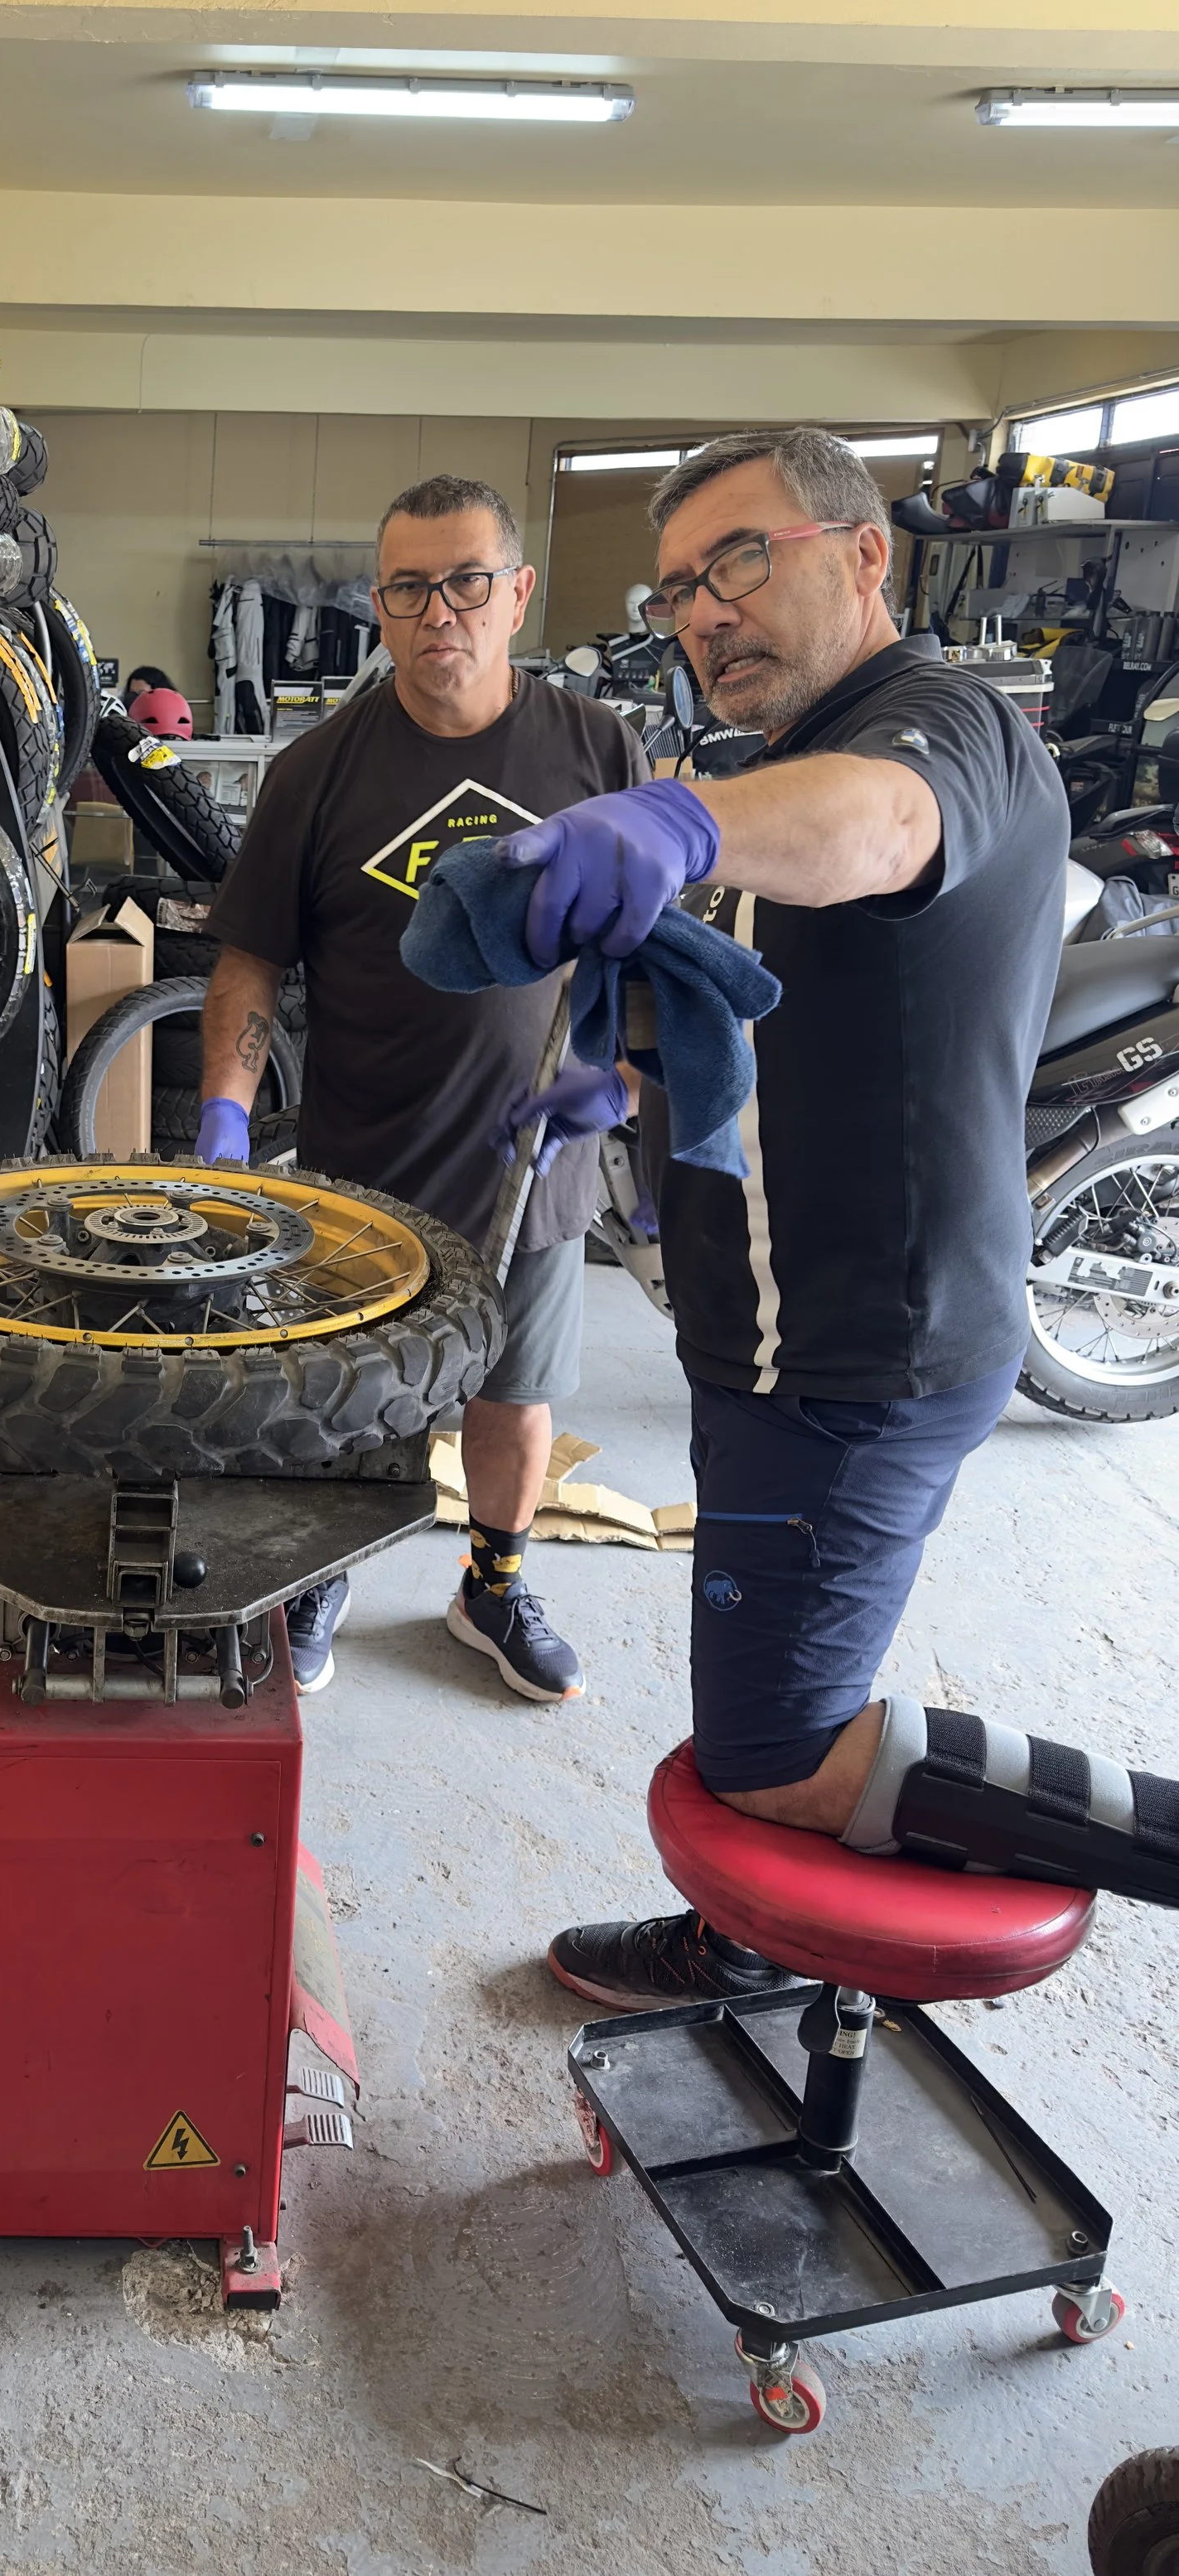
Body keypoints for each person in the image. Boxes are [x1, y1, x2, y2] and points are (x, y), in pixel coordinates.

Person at [467, 428, 1179, 2009]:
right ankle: (751, 1935)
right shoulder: (759, 759)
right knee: (789, 1677)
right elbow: (755, 999)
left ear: (867, 555)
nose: (704, 612)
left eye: (741, 561)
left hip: (862, 1351)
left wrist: (680, 830)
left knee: (778, 1752)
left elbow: (884, 830)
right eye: (676, 591)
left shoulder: (950, 732)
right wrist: (626, 1085)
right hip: (764, 1331)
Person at [195, 475, 648, 1700]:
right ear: (379, 610)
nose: (437, 610)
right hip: (363, 1165)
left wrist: (627, 1074)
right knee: (349, 1401)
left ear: (516, 594)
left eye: (464, 582)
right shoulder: (318, 770)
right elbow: (252, 958)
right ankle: (328, 1564)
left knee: (518, 1389)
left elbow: (646, 943)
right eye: (407, 588)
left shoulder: (597, 747)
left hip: (533, 1164)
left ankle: (491, 1587)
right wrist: (226, 1117)